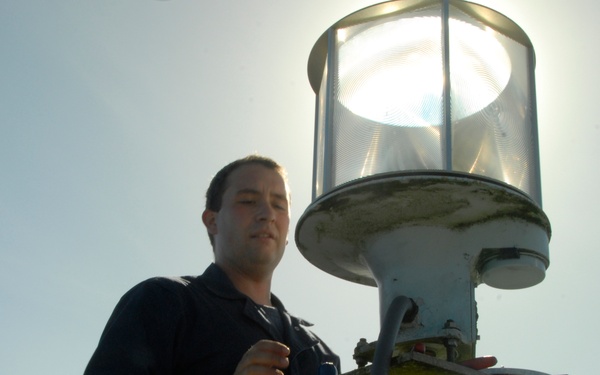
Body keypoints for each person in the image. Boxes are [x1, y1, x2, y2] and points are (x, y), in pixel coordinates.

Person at [84, 155, 340, 375]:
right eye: (248, 200)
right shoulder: (162, 302)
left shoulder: (319, 350)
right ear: (212, 221)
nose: (268, 214)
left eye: (279, 205)